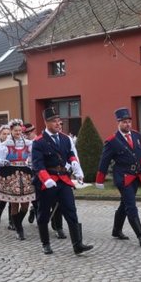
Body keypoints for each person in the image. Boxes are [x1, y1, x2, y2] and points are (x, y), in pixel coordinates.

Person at [31, 106, 93, 255]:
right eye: (54, 121)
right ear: (46, 122)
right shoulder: (39, 142)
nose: (58, 124)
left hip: (63, 179)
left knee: (71, 211)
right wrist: (46, 179)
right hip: (48, 181)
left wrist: (75, 164)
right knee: (43, 213)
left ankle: (77, 244)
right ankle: (45, 243)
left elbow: (69, 153)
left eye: (59, 121)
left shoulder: (65, 139)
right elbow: (38, 164)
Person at [95, 107, 141, 247]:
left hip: (136, 176)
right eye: (124, 122)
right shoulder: (112, 140)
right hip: (123, 178)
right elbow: (104, 161)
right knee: (131, 205)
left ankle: (116, 230)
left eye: (129, 121)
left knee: (124, 204)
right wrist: (100, 180)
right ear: (118, 123)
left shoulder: (136, 135)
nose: (127, 124)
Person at [0, 120, 35, 240]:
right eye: (15, 131)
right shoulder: (5, 145)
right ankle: (19, 229)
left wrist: (34, 169)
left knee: (25, 205)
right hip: (11, 175)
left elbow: (32, 159)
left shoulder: (28, 143)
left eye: (19, 130)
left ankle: (17, 222)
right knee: (14, 203)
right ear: (11, 131)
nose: (18, 132)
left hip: (25, 174)